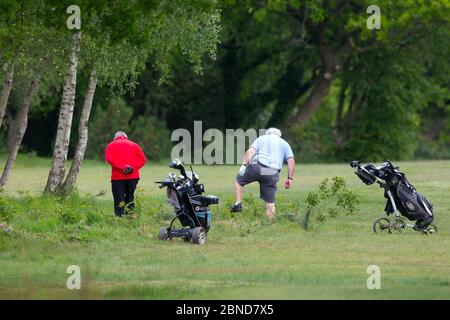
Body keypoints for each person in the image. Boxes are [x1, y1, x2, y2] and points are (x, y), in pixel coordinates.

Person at [230, 127, 295, 220]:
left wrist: (244, 164)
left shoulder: (261, 138)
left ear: (267, 133)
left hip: (257, 167)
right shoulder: (285, 144)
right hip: (272, 173)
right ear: (279, 135)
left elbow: (250, 152)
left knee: (239, 181)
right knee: (270, 202)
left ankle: (238, 203)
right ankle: (269, 224)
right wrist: (290, 178)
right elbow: (291, 161)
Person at [105, 131, 147, 217]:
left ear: (115, 138)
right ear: (126, 137)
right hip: (133, 177)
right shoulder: (134, 145)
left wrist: (122, 167)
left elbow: (109, 159)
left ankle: (119, 218)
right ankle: (130, 217)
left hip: (117, 178)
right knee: (130, 197)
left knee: (119, 199)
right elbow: (143, 160)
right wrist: (132, 168)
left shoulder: (110, 145)